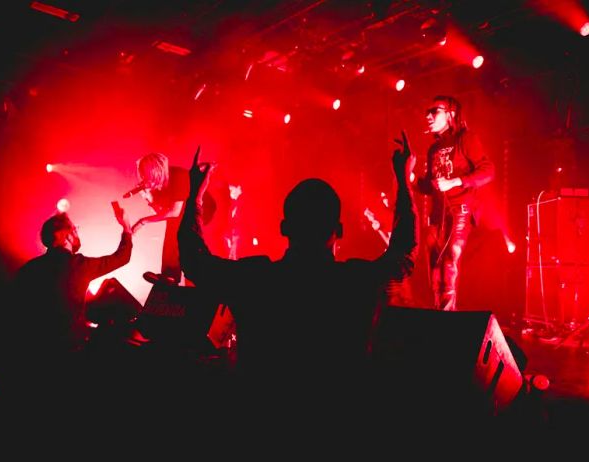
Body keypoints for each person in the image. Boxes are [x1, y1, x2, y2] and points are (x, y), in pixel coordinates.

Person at [178, 138, 418, 415]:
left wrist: (196, 194)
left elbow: (195, 261)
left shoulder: (256, 279)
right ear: (339, 230)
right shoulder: (355, 282)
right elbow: (404, 251)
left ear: (284, 227)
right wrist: (403, 180)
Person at [0, 203, 133, 412]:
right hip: (69, 358)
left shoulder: (28, 271)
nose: (77, 232)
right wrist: (126, 227)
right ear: (65, 236)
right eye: (74, 228)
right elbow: (121, 257)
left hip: (33, 361)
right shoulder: (78, 265)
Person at [416, 95, 495, 311]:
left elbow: (488, 170)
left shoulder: (466, 139)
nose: (428, 116)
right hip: (436, 214)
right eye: (427, 112)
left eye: (434, 111)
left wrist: (456, 181)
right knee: (434, 267)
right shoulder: (433, 149)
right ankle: (437, 314)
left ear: (451, 114)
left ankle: (448, 319)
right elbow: (429, 187)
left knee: (450, 262)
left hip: (459, 211)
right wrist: (411, 177)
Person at [129, 152, 215, 286]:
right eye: (142, 174)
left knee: (177, 229)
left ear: (155, 171)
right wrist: (148, 198)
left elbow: (174, 212)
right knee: (175, 227)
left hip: (205, 212)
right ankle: (171, 275)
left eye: (146, 174)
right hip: (186, 214)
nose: (144, 178)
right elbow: (162, 213)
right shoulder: (157, 187)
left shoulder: (178, 176)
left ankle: (172, 275)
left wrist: (143, 221)